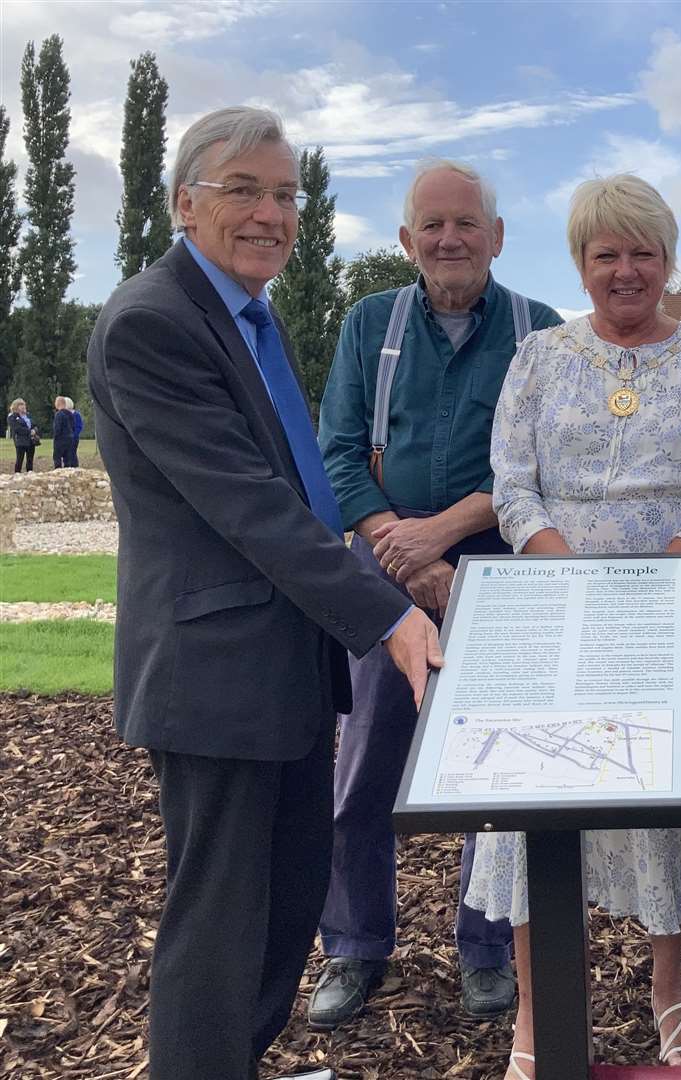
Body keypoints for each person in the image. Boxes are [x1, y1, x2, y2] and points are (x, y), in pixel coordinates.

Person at [86, 105, 443, 1080]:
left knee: (285, 911)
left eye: (284, 195)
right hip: (214, 679)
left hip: (276, 667)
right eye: (243, 190)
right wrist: (391, 615)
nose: (270, 214)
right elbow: (254, 510)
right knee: (217, 933)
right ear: (184, 202)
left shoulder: (244, 311)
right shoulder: (154, 324)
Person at [465, 173, 681, 1080]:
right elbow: (513, 487)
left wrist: (669, 568)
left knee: (658, 800)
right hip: (552, 606)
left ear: (669, 261)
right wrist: (562, 570)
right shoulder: (538, 358)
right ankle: (535, 1005)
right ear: (580, 262)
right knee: (534, 798)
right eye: (607, 253)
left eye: (644, 252)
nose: (626, 270)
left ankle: (666, 993)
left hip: (670, 603)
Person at [313, 160, 562, 1030]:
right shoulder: (368, 324)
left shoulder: (543, 331)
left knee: (497, 774)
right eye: (432, 226)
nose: (449, 240)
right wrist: (403, 551)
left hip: (499, 565)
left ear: (497, 237)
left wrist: (441, 538)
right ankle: (354, 947)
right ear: (407, 240)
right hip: (385, 568)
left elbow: (541, 467)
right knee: (365, 766)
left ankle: (486, 947)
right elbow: (337, 450)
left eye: (467, 225)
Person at [7, 398, 35, 472]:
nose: (23, 406)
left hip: (31, 441)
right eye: (20, 404)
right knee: (19, 461)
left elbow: (35, 425)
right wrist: (29, 432)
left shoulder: (28, 415)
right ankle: (17, 475)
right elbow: (17, 429)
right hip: (20, 441)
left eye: (23, 404)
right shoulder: (12, 417)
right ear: (16, 406)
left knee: (30, 461)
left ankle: (30, 475)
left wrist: (35, 430)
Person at [51, 396, 76, 469]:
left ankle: (58, 472)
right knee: (67, 458)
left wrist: (55, 437)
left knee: (57, 457)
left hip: (60, 439)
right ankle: (67, 471)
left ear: (58, 404)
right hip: (70, 438)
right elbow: (73, 426)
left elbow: (57, 428)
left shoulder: (59, 414)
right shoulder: (70, 414)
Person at [63, 396, 82, 467]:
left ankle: (74, 467)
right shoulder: (63, 414)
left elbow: (79, 426)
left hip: (74, 438)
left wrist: (73, 435)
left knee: (72, 453)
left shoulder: (76, 414)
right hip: (66, 438)